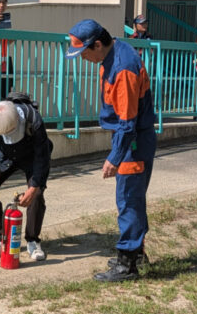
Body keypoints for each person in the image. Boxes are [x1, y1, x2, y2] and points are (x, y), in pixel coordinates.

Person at [66, 19, 156, 281]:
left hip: (132, 142)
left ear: (97, 45)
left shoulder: (122, 69)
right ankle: (137, 254)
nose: (82, 58)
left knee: (128, 200)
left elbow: (128, 123)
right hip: (131, 138)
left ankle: (127, 265)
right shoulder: (116, 52)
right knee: (133, 199)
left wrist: (115, 158)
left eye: (83, 52)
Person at [0, 93, 53, 262]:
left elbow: (42, 156)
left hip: (32, 156)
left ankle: (33, 241)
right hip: (4, 157)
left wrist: (34, 187)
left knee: (36, 195)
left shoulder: (33, 119)